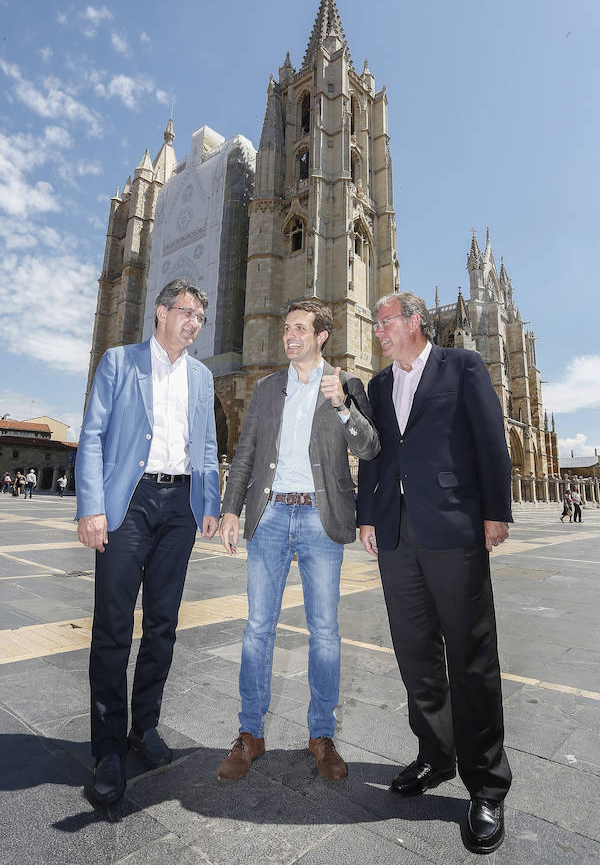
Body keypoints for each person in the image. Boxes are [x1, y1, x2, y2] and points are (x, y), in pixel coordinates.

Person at [358, 291, 512, 855]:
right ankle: (436, 755)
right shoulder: (377, 385)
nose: (378, 329)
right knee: (416, 654)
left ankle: (487, 786)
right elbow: (375, 454)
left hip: (453, 531)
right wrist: (368, 518)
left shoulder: (462, 366)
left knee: (471, 658)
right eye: (376, 322)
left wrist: (496, 511)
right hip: (397, 538)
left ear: (415, 322)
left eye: (385, 320)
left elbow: (490, 438)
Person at [218, 301, 379, 783]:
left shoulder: (347, 384)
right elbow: (245, 452)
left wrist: (342, 406)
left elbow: (370, 447)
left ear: (322, 335)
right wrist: (231, 509)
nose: (289, 335)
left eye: (299, 329)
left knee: (325, 632)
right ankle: (250, 733)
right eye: (286, 328)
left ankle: (321, 736)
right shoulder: (268, 388)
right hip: (268, 516)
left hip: (319, 517)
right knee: (257, 629)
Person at [76, 278, 220, 806]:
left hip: (179, 507)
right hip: (129, 503)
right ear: (160, 313)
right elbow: (93, 434)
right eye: (186, 313)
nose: (194, 324)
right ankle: (108, 746)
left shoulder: (201, 377)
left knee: (163, 624)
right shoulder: (120, 361)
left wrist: (210, 502)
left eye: (200, 318)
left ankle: (146, 727)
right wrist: (91, 506)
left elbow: (206, 441)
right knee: (113, 626)